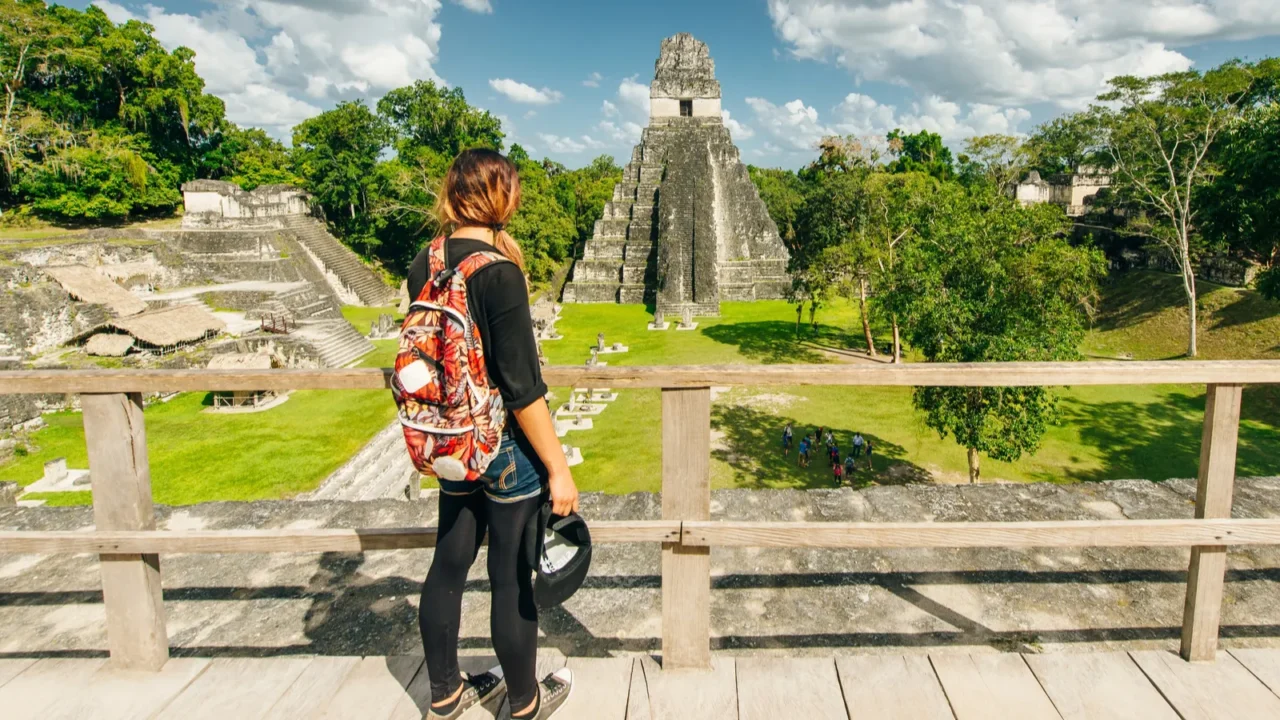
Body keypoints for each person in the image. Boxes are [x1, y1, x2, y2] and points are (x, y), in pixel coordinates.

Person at [407, 149, 576, 720]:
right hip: (501, 447)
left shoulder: (424, 263)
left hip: (448, 440)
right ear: (500, 196)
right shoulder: (499, 274)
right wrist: (557, 466)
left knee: (448, 564)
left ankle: (445, 693)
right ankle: (526, 702)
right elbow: (522, 388)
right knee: (509, 578)